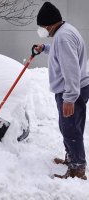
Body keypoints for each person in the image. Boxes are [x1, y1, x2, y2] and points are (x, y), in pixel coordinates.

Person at [34, 2, 89, 180]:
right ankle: (72, 158)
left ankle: (77, 169)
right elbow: (63, 54)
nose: (41, 30)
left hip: (72, 90)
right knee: (71, 127)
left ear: (49, 24)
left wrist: (70, 98)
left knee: (70, 129)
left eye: (41, 27)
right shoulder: (64, 32)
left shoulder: (63, 37)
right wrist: (45, 49)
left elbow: (71, 69)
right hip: (75, 88)